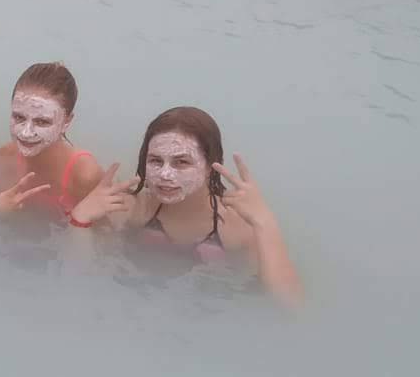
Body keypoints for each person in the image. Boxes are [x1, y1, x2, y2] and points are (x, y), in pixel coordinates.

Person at [68, 107, 303, 306]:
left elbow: (288, 305)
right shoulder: (131, 208)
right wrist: (80, 218)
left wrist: (264, 222)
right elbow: (80, 281)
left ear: (211, 166)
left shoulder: (236, 225)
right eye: (155, 161)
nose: (165, 174)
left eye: (181, 162)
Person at [0, 63, 105, 221]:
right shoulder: (5, 156)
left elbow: (104, 231)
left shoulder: (84, 174)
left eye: (42, 122)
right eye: (19, 117)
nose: (26, 133)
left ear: (67, 122)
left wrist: (78, 219)